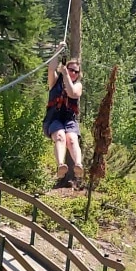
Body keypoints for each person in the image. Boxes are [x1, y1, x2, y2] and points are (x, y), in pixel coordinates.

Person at [43, 52, 83, 180]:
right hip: (54, 119)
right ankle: (60, 164)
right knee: (60, 136)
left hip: (69, 119)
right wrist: (58, 50)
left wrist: (66, 74)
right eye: (71, 70)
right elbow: (51, 68)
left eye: (76, 72)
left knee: (71, 139)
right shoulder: (55, 82)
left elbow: (72, 93)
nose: (73, 73)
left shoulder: (78, 86)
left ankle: (78, 164)